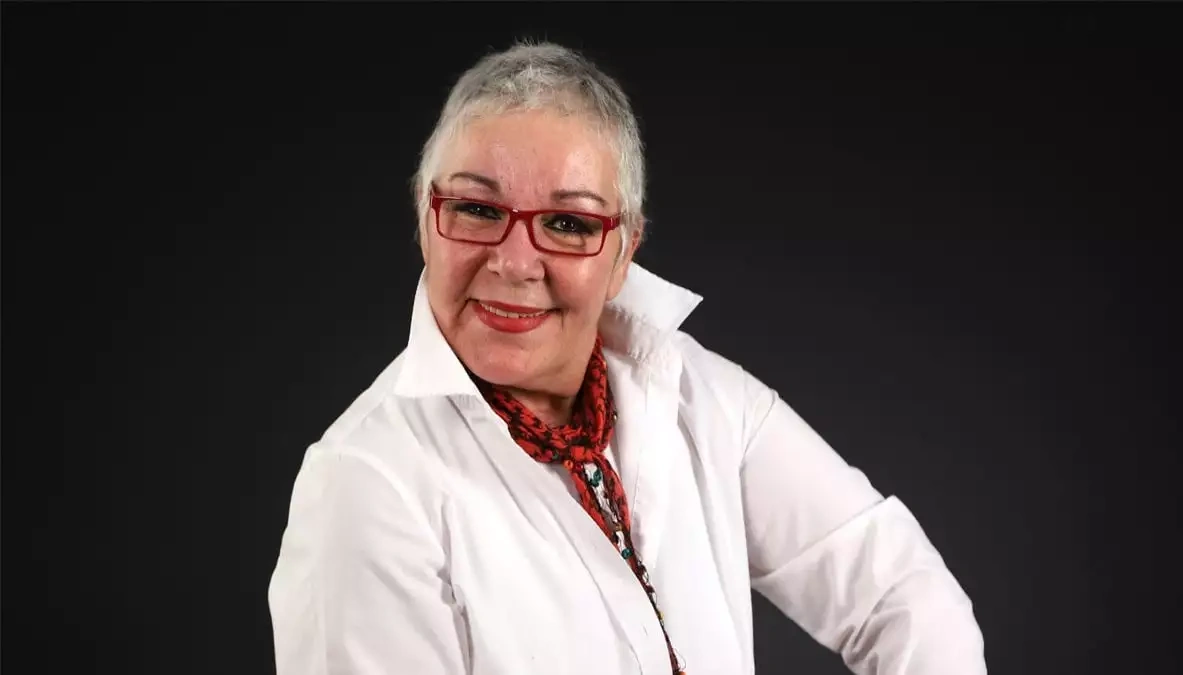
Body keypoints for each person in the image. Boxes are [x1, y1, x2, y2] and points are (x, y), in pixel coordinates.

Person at [267, 41, 988, 675]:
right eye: (477, 209)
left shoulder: (699, 396)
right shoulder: (365, 485)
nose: (514, 262)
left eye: (568, 222)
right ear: (426, 218)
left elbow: (903, 592)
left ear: (623, 251)